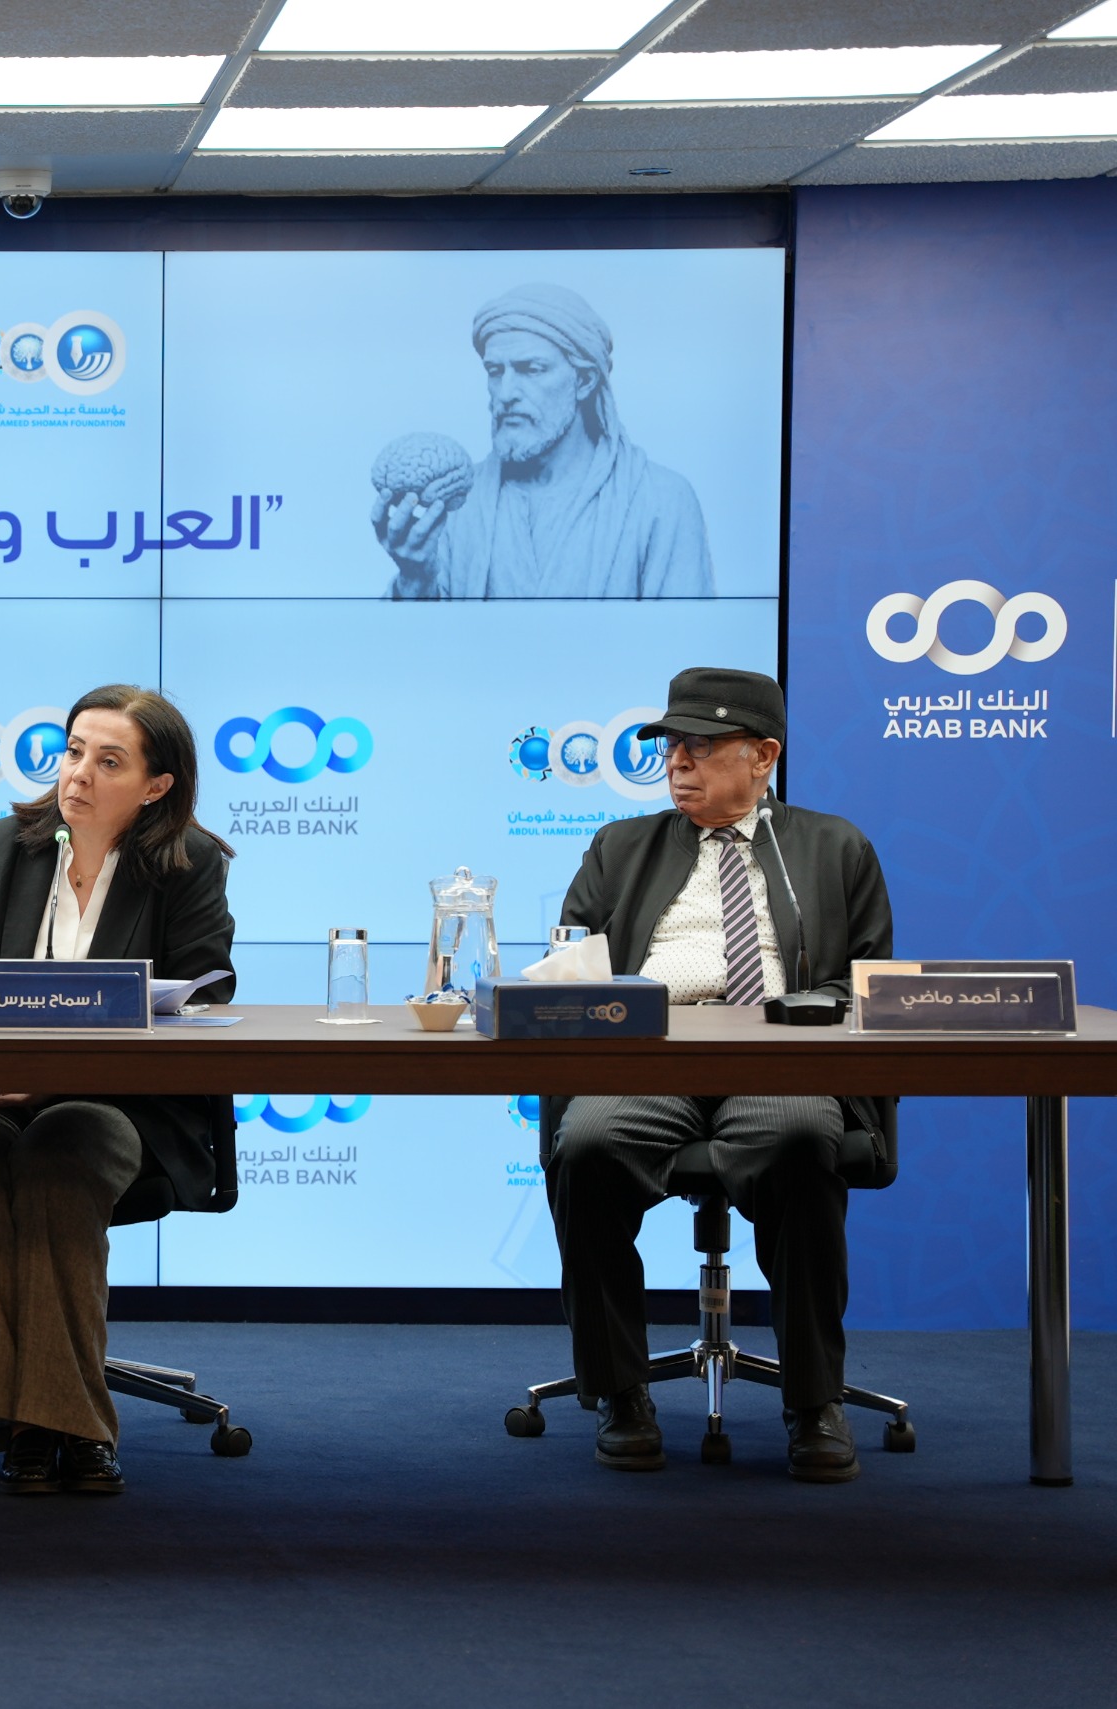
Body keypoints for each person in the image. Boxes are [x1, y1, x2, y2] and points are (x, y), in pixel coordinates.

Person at [545, 666, 893, 1482]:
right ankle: (618, 1389)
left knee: (801, 1134)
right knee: (587, 1141)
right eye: (672, 745)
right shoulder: (620, 846)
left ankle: (815, 1397)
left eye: (701, 746)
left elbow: (870, 984)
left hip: (777, 1058)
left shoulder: (834, 847)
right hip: (650, 1055)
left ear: (763, 755)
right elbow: (569, 969)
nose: (677, 762)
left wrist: (797, 1014)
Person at [0, 685, 235, 1496]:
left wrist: (53, 1075)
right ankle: (1, 1411)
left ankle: (59, 1425)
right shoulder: (2, 847)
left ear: (156, 785)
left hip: (115, 1099)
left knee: (60, 1155)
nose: (78, 773)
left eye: (109, 761)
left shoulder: (188, 863)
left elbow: (206, 993)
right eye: (74, 751)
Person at [374, 281, 713, 600]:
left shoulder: (659, 501)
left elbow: (685, 636)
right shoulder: (458, 504)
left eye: (531, 369)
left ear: (584, 380)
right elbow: (416, 639)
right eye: (495, 372)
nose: (505, 393)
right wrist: (415, 580)